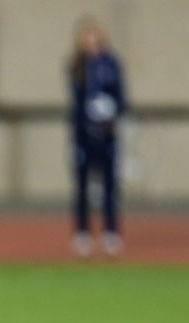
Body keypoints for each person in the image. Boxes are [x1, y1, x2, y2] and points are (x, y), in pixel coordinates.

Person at [67, 16, 127, 258]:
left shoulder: (111, 64)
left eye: (94, 35)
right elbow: (75, 105)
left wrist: (110, 111)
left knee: (110, 186)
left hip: (107, 136)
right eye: (86, 35)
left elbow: (121, 97)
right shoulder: (76, 65)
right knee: (82, 187)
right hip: (84, 137)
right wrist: (76, 138)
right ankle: (82, 233)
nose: (90, 40)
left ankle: (111, 233)